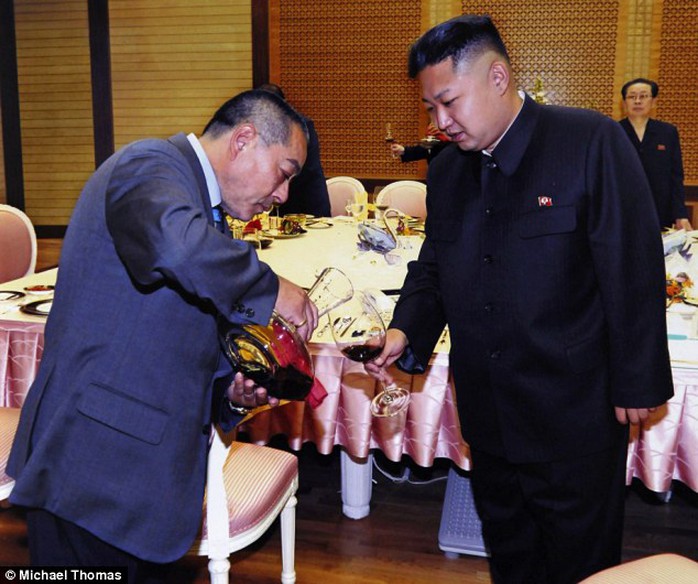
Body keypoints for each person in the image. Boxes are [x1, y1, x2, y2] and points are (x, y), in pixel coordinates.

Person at [366, 15, 673, 583]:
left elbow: (633, 266)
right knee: (510, 555)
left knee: (581, 562)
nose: (440, 122)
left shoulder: (587, 141)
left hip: (573, 412)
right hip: (488, 411)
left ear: (499, 77)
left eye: (448, 103)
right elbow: (434, 264)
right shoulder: (449, 171)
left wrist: (639, 380)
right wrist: (404, 330)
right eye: (430, 109)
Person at [7, 89, 319, 581]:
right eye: (285, 172)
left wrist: (230, 394)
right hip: (92, 473)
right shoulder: (149, 164)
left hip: (145, 488)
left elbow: (183, 334)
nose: (282, 195)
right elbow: (172, 247)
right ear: (244, 139)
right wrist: (270, 286)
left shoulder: (208, 214)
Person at [619, 78, 692, 231]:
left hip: (659, 209)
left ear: (653, 101)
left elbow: (676, 176)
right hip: (622, 208)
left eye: (643, 96)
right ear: (624, 103)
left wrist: (680, 214)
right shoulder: (613, 131)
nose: (637, 101)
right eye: (632, 97)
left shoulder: (667, 132)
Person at [257, 83, 331, 217]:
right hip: (275, 201)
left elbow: (300, 169)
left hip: (305, 196)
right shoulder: (256, 126)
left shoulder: (301, 127)